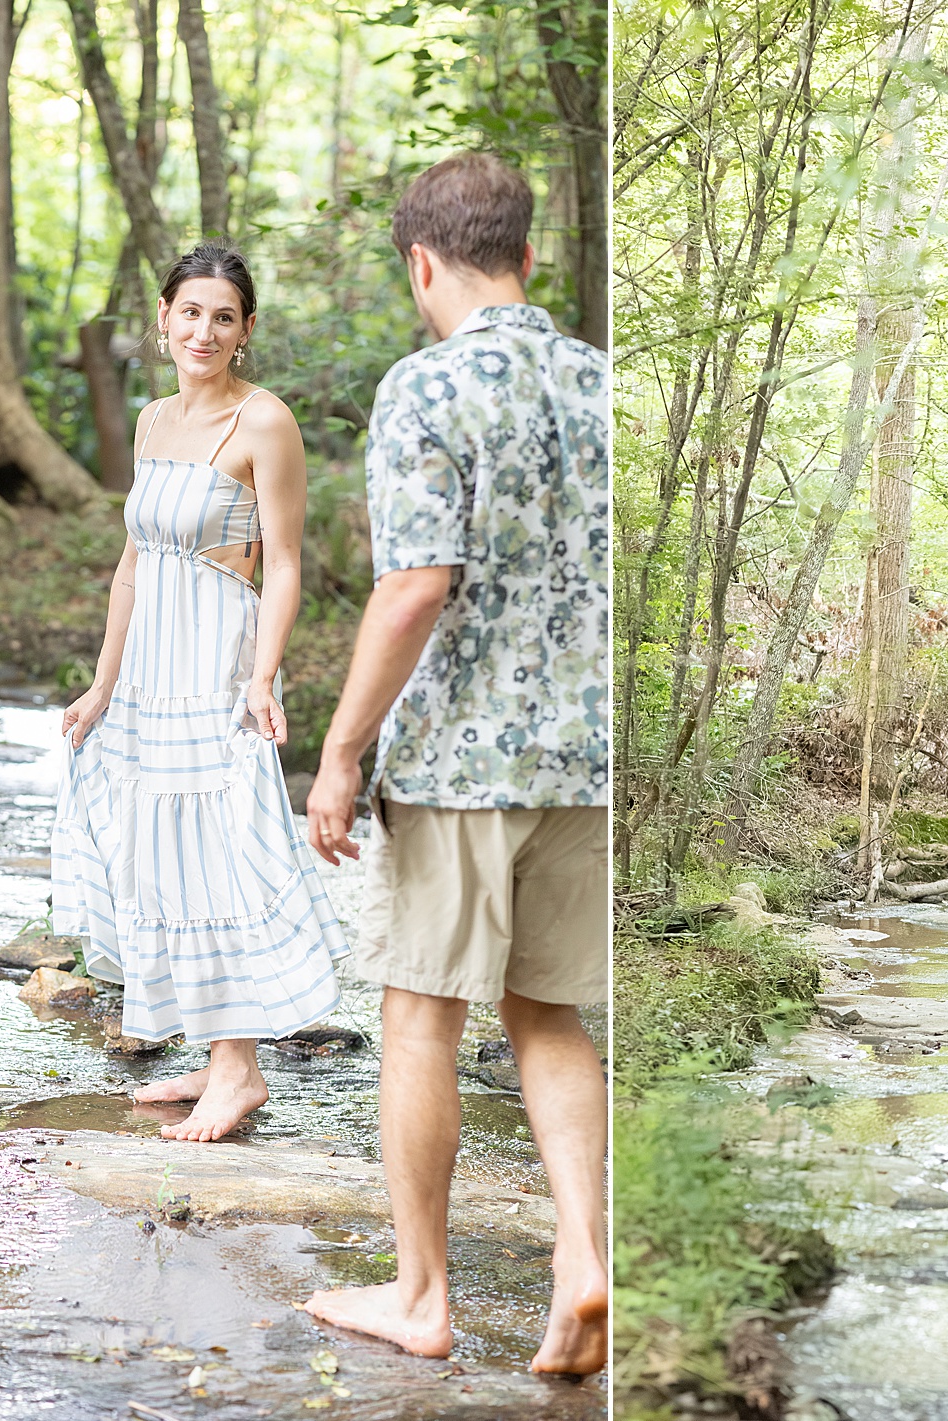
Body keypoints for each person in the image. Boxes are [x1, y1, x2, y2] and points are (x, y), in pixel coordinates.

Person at [297, 153, 609, 1376]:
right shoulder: (601, 381)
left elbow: (415, 584)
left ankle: (421, 1296)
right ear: (526, 257)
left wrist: (340, 751)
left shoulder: (425, 386)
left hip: (461, 758)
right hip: (585, 760)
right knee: (547, 1011)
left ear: (420, 264)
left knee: (420, 1017)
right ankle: (583, 1256)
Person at [50, 243, 349, 1143]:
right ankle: (213, 1049)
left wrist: (260, 675)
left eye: (224, 317)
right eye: (190, 313)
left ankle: (242, 1069)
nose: (204, 332)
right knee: (160, 851)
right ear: (164, 317)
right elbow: (133, 565)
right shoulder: (151, 422)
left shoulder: (265, 422)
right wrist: (102, 684)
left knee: (219, 850)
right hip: (150, 666)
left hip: (217, 656)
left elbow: (285, 563)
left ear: (246, 329)